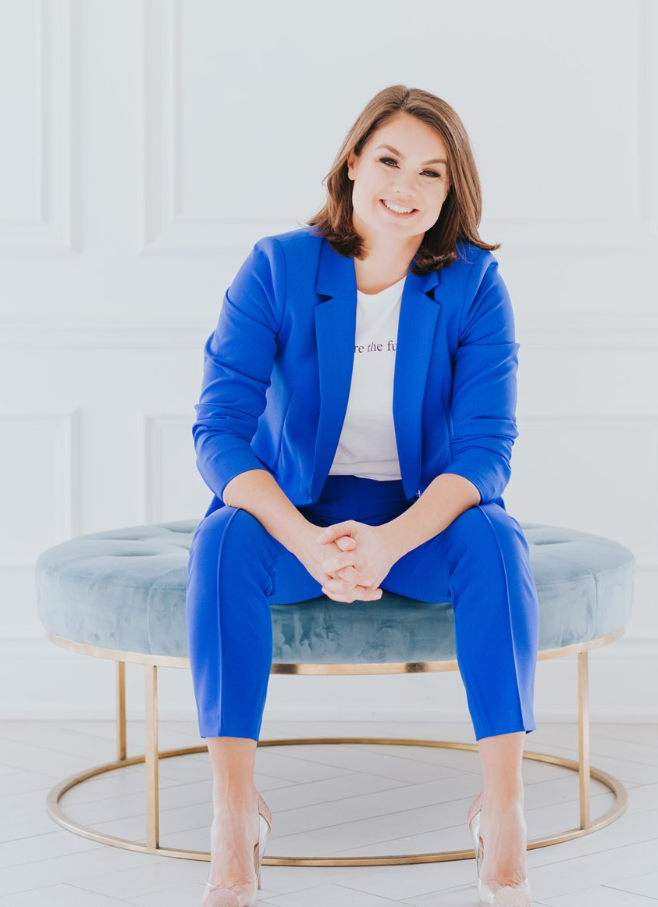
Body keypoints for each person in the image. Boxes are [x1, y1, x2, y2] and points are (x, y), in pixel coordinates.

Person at [186, 84, 539, 907]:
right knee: (223, 540)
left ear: (451, 190)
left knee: (496, 541)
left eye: (431, 172)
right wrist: (305, 539)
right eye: (388, 160)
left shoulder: (473, 283)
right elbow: (219, 429)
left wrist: (391, 541)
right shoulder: (278, 266)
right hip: (297, 513)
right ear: (351, 162)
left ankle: (503, 809)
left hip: (416, 517)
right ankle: (234, 813)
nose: (404, 186)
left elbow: (485, 450)